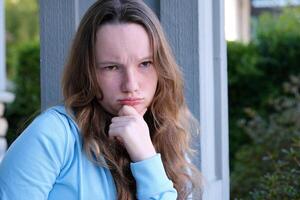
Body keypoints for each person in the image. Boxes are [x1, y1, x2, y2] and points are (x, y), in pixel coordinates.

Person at [0, 0, 201, 199]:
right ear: (88, 72)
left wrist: (146, 157)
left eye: (145, 64)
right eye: (111, 67)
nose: (131, 85)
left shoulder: (166, 134)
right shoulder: (51, 136)